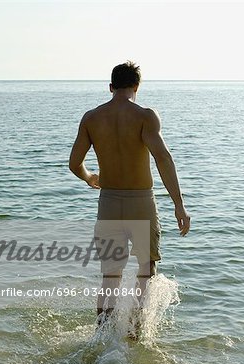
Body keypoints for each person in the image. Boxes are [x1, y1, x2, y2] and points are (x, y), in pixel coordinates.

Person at [69, 61, 190, 326]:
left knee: (110, 275)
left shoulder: (91, 118)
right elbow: (163, 158)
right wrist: (178, 205)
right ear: (137, 86)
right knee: (146, 270)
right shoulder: (145, 116)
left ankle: (102, 339)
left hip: (109, 203)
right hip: (141, 204)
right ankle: (135, 332)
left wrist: (90, 177)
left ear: (111, 87)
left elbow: (74, 163)